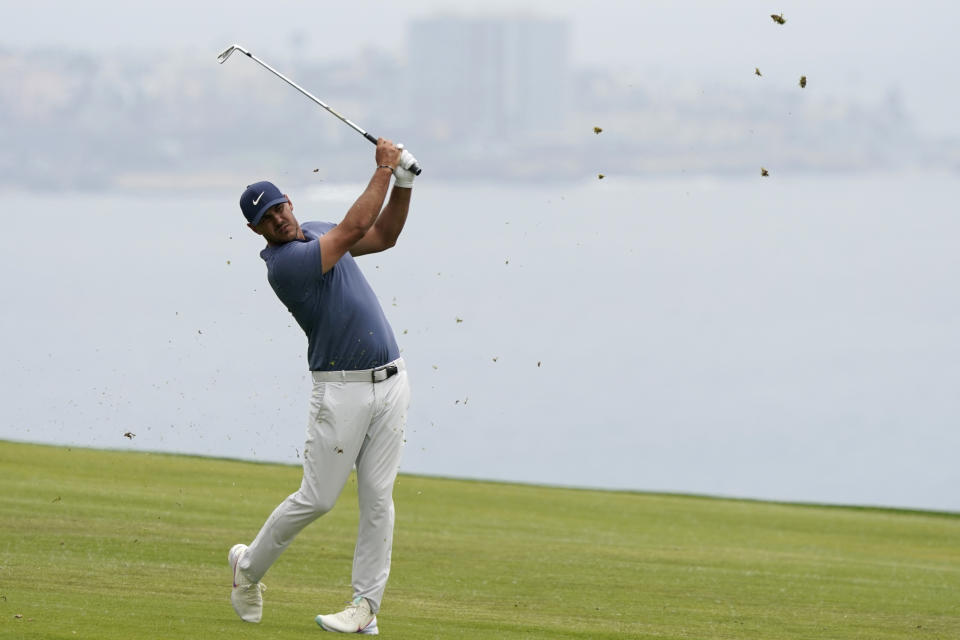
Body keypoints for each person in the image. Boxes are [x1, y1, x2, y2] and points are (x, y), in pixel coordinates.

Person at [229, 138, 416, 634]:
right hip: (341, 389)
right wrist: (383, 166)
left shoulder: (313, 231)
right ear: (256, 231)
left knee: (379, 499)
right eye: (266, 220)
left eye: (278, 209)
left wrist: (403, 182)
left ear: (290, 202)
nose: (277, 220)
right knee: (318, 498)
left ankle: (365, 608)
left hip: (392, 379)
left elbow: (383, 235)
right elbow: (355, 226)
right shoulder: (284, 265)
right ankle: (246, 571)